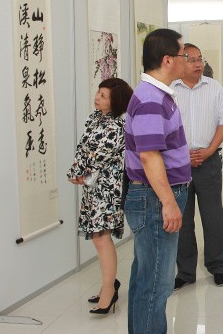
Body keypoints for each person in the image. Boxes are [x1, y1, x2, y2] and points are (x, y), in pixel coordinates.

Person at [124, 28, 191, 334]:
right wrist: (168, 202)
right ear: (168, 60)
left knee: (146, 278)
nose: (187, 60)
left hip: (155, 196)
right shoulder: (151, 98)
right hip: (155, 198)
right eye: (183, 54)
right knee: (156, 284)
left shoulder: (157, 95)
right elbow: (150, 157)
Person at [67, 77, 133, 315]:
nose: (97, 97)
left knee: (101, 237)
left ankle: (109, 290)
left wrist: (78, 173)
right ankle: (109, 284)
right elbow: (83, 148)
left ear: (116, 101)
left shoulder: (117, 125)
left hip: (107, 189)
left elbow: (98, 155)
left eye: (104, 95)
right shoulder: (94, 117)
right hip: (91, 186)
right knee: (98, 236)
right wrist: (77, 172)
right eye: (98, 92)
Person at [173, 43, 223, 289]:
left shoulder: (214, 87)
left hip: (208, 162)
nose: (198, 64)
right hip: (178, 164)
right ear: (180, 61)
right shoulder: (170, 90)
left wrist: (209, 150)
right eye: (192, 60)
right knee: (182, 220)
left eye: (200, 59)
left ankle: (218, 266)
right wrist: (181, 155)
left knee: (213, 217)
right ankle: (185, 272)